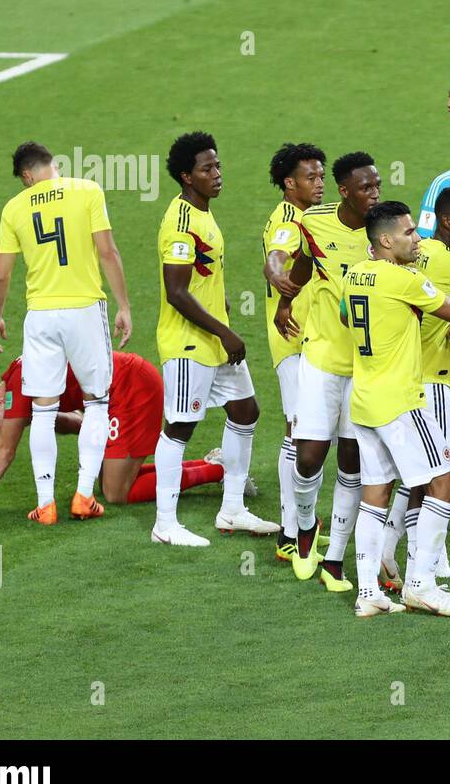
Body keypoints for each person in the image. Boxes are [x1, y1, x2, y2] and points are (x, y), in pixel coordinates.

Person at [338, 201, 450, 618]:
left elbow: (343, 315)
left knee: (376, 494)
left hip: (365, 400)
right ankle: (421, 584)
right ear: (385, 241)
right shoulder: (402, 279)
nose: (417, 237)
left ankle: (368, 592)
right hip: (402, 402)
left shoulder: (354, 275)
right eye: (408, 232)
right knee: (444, 484)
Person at [0, 141, 132, 525]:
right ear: (52, 165)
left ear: (25, 175)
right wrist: (124, 305)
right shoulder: (87, 190)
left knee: (43, 409)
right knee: (98, 402)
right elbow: (107, 252)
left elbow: (2, 273)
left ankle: (46, 504)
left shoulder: (14, 208)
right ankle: (84, 496)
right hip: (84, 309)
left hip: (41, 316)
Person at [153, 131, 277, 546]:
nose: (217, 174)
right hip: (190, 343)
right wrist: (224, 329)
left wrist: (219, 305)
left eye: (218, 165)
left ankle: (232, 509)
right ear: (187, 176)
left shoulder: (202, 212)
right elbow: (176, 291)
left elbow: (200, 274)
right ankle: (165, 524)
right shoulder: (181, 220)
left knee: (245, 411)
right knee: (180, 427)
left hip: (212, 339)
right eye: (207, 169)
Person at [273, 151, 380, 587]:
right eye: (366, 187)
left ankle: (334, 556)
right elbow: (301, 260)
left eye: (378, 185)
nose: (374, 193)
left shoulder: (384, 231)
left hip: (365, 367)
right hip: (319, 360)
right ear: (344, 191)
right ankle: (303, 531)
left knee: (352, 462)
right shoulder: (314, 222)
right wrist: (284, 301)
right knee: (309, 456)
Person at [0, 351, 224, 509]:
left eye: (7, 428)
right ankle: (211, 463)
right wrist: (96, 437)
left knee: (117, 494)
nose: (15, 431)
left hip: (131, 390)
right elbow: (64, 420)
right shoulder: (16, 380)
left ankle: (220, 471)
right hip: (116, 393)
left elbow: (5, 450)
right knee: (112, 481)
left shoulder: (16, 390)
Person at [380, 186, 450, 590]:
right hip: (432, 382)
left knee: (410, 474)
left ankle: (392, 553)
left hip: (406, 377)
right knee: (433, 476)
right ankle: (420, 564)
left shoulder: (423, 255)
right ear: (446, 220)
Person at [261, 142, 325, 559]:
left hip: (315, 340)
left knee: (307, 432)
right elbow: (277, 254)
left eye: (321, 176)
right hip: (294, 341)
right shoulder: (288, 218)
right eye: (310, 177)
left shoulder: (313, 217)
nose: (319, 183)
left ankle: (298, 525)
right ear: (289, 183)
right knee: (298, 432)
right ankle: (290, 532)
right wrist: (279, 274)